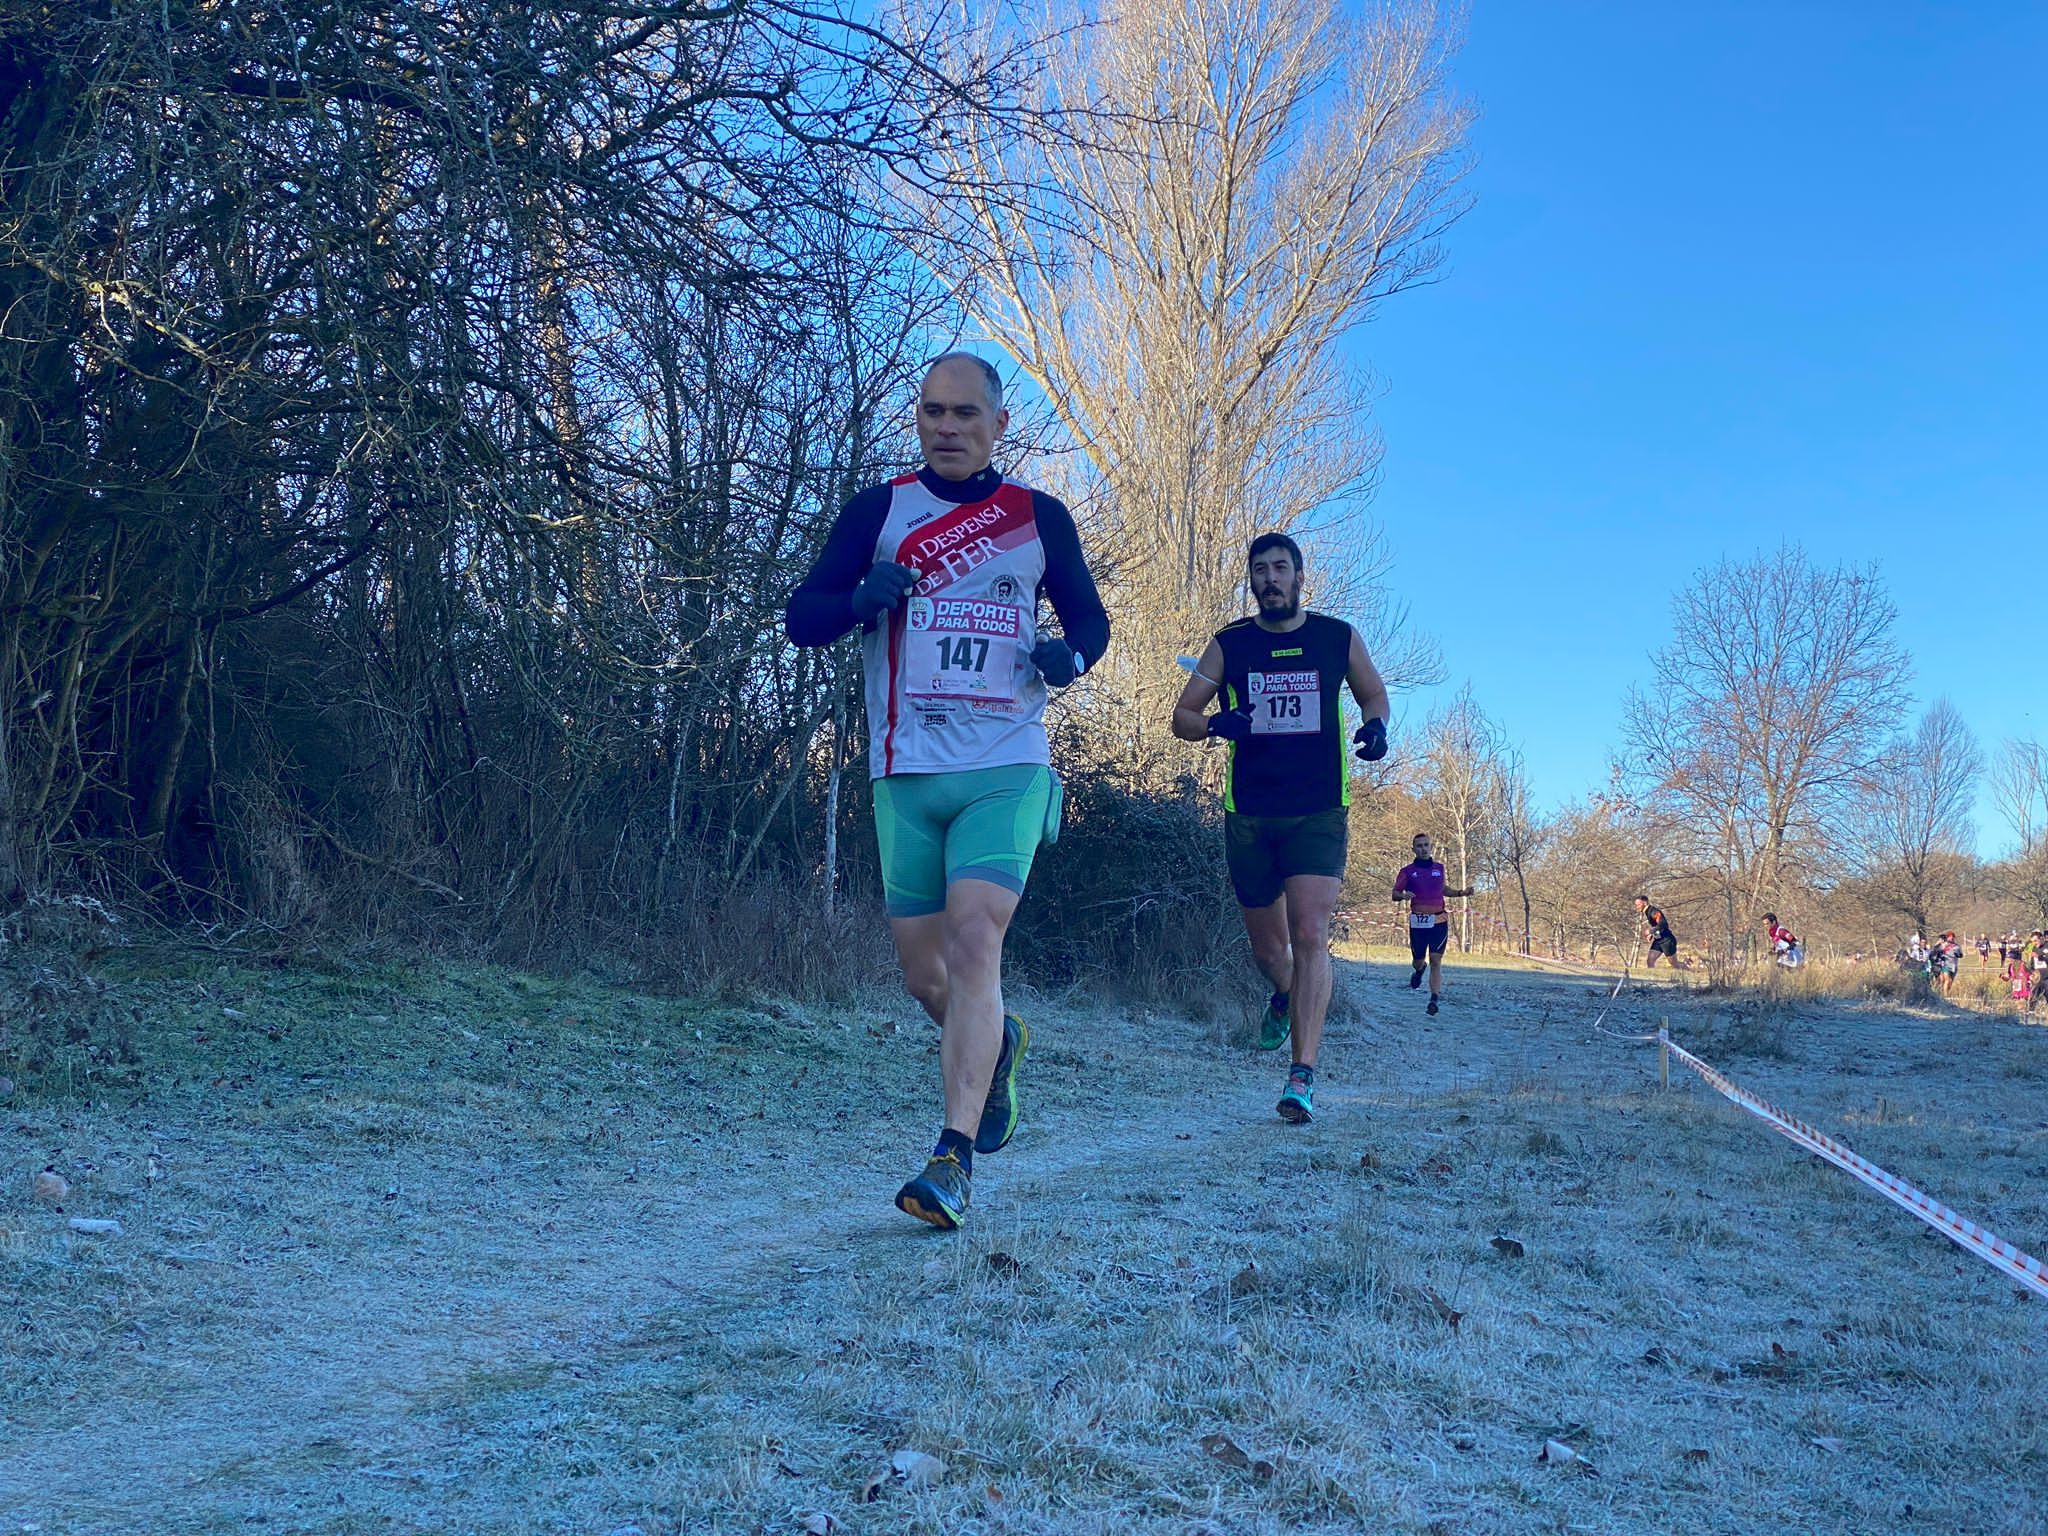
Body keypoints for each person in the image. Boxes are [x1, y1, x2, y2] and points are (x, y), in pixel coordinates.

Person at [783, 352, 1109, 1230]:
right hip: (905, 773)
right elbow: (800, 616)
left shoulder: (1038, 519)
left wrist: (1069, 659)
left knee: (975, 945)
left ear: (1000, 425)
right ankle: (999, 1046)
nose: (947, 428)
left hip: (1006, 762)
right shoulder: (880, 513)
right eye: (932, 412)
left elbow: (1090, 620)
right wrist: (859, 599)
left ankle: (951, 1161)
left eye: (965, 414)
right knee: (928, 978)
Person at [1170, 531, 1391, 1125]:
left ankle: (1303, 1074)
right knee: (1270, 949)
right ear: (1253, 582)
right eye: (1260, 570)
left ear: (1299, 578)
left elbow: (1373, 694)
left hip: (1318, 807)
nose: (1270, 579)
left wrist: (1376, 729)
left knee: (1311, 932)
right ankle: (1283, 991)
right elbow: (1182, 718)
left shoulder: (1335, 637)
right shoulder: (1231, 644)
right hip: (1251, 813)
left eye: (1280, 568)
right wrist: (1219, 724)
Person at [1392, 833, 1475, 1016]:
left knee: (1436, 960)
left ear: (1431, 848)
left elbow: (1443, 889)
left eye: (1426, 845)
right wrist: (1403, 896)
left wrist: (1461, 893)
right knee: (1418, 961)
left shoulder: (1439, 868)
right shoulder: (1407, 871)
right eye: (1419, 846)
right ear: (1413, 849)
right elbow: (1395, 893)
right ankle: (1420, 970)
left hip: (1439, 920)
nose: (1423, 848)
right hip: (1418, 922)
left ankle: (1434, 999)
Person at [1635, 895, 1679, 969]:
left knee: (1675, 965)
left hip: (1667, 940)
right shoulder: (1647, 912)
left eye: (1638, 904)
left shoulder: (1653, 911)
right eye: (1636, 905)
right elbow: (1657, 925)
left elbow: (1663, 924)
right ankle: (1651, 979)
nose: (1637, 907)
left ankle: (1690, 972)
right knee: (1650, 960)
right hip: (1659, 940)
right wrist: (1652, 934)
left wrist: (1650, 931)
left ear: (1645, 903)